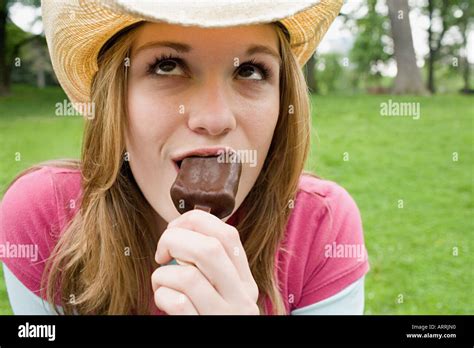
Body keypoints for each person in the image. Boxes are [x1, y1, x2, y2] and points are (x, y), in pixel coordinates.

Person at [0, 0, 369, 315]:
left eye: (249, 70)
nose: (215, 118)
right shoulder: (44, 219)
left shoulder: (321, 227)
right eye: (168, 65)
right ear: (115, 98)